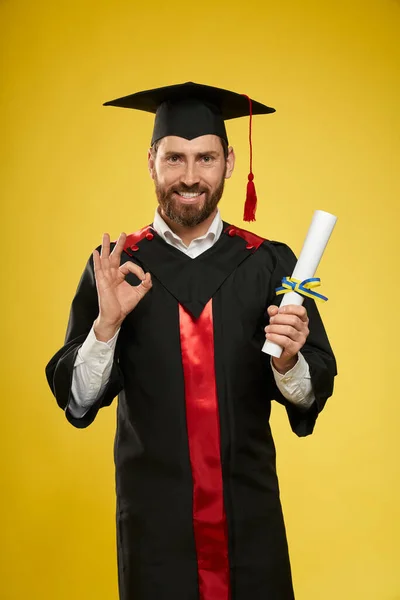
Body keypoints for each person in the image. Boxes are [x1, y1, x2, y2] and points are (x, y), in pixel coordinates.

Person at [46, 82, 337, 600]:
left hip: (249, 520)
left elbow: (312, 392)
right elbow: (77, 399)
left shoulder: (269, 263)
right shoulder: (116, 266)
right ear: (151, 161)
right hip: (155, 530)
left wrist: (289, 361)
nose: (189, 176)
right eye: (174, 157)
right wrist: (104, 326)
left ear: (228, 162)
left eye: (205, 157)